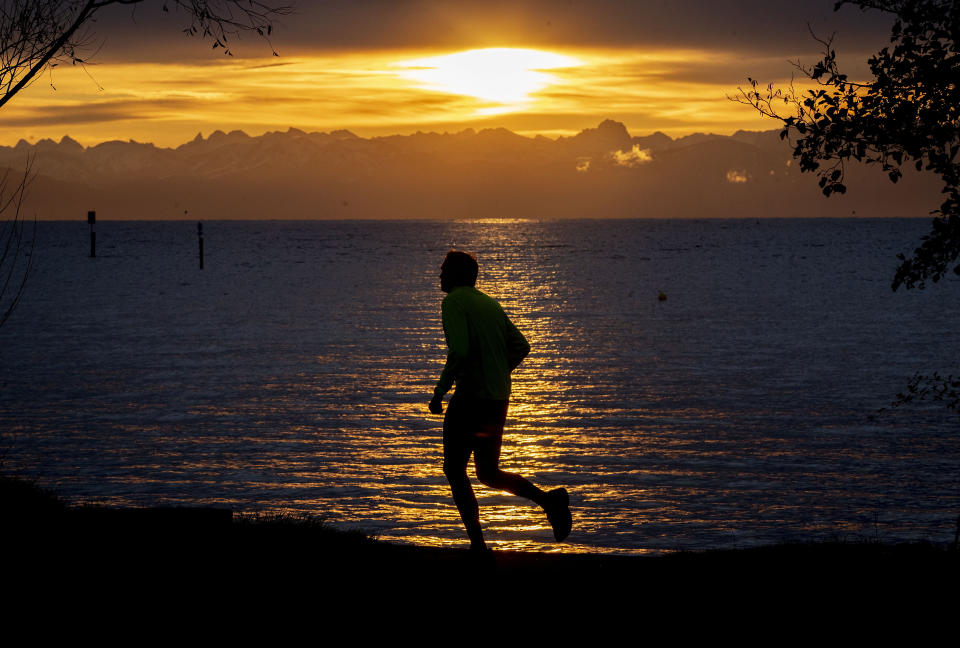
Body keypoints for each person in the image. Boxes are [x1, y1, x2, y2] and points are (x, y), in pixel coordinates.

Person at [429, 249, 572, 552]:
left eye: (443, 270)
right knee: (488, 473)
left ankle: (478, 546)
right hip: (496, 399)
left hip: (470, 399)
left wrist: (440, 391)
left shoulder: (453, 301)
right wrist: (496, 371)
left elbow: (460, 351)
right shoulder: (490, 304)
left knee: (455, 470)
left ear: (456, 275)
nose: (439, 275)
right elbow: (521, 345)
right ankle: (549, 501)